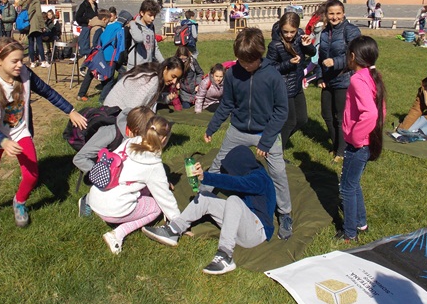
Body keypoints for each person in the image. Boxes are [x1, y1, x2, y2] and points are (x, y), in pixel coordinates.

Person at [0, 37, 87, 227]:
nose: (20, 65)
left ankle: (19, 202)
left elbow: (47, 91)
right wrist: (3, 141)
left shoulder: (25, 74)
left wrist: (70, 110)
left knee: (31, 175)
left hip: (20, 132)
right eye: (15, 61)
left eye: (22, 60)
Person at [204, 27, 293, 240]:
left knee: (278, 172)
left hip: (266, 132)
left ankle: (285, 213)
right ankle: (202, 198)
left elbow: (282, 111)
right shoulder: (232, 74)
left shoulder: (273, 76)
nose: (244, 65)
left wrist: (267, 140)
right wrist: (212, 127)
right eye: (241, 60)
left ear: (260, 55)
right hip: (238, 129)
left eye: (249, 61)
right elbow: (227, 104)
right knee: (218, 163)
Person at [142, 145, 276, 275]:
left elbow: (238, 183)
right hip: (242, 227)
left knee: (234, 200)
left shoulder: (260, 179)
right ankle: (174, 229)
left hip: (256, 233)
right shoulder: (249, 173)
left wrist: (205, 177)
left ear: (240, 165)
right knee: (205, 197)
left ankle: (225, 255)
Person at [74, 58, 184, 176]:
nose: (174, 81)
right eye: (173, 76)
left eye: (177, 78)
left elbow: (152, 97)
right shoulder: (153, 81)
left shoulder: (154, 73)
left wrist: (167, 98)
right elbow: (135, 110)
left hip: (116, 109)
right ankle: (115, 167)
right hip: (115, 113)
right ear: (166, 68)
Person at [88, 115, 180, 254]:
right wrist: (179, 222)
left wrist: (163, 183)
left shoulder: (129, 142)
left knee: (143, 189)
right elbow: (165, 199)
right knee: (156, 208)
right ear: (163, 139)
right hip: (112, 209)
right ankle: (117, 234)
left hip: (95, 196)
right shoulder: (153, 165)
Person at [334, 36, 386, 243]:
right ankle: (360, 223)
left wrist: (356, 137)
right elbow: (381, 110)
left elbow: (371, 113)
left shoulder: (357, 80)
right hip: (366, 142)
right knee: (353, 183)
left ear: (353, 56)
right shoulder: (373, 76)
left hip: (359, 145)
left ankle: (349, 233)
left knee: (346, 187)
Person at [318, 0, 362, 161]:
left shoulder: (351, 31)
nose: (334, 17)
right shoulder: (324, 32)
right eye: (331, 13)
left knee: (340, 117)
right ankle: (336, 144)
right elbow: (321, 56)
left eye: (338, 13)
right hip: (328, 79)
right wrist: (320, 76)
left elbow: (355, 56)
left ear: (343, 14)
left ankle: (341, 152)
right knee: (326, 114)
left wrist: (335, 62)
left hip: (344, 79)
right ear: (326, 14)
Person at [266, 12, 315, 149]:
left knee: (302, 119)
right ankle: (275, 151)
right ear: (281, 28)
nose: (288, 35)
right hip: (283, 87)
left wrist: (307, 45)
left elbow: (313, 53)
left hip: (297, 84)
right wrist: (288, 63)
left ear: (297, 29)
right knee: (289, 122)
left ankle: (276, 144)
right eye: (285, 31)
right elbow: (269, 68)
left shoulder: (300, 37)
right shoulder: (275, 45)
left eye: (292, 32)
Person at [76, 9, 111, 101]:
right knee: (94, 73)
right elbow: (96, 42)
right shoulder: (99, 28)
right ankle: (81, 94)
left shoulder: (93, 25)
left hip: (92, 53)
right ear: (104, 19)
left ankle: (102, 89)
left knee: (94, 73)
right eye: (108, 20)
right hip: (95, 54)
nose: (108, 22)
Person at [128, 0, 164, 69]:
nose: (153, 18)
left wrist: (163, 63)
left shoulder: (151, 27)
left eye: (154, 16)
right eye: (150, 15)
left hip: (148, 65)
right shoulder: (135, 25)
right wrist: (132, 23)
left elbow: (155, 48)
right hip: (135, 67)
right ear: (142, 13)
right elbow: (139, 39)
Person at [25, 0, 48, 68]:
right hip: (35, 25)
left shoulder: (28, 2)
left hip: (28, 25)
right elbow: (39, 14)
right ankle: (43, 61)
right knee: (39, 43)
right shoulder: (36, 2)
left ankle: (32, 62)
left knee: (31, 44)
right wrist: (43, 25)